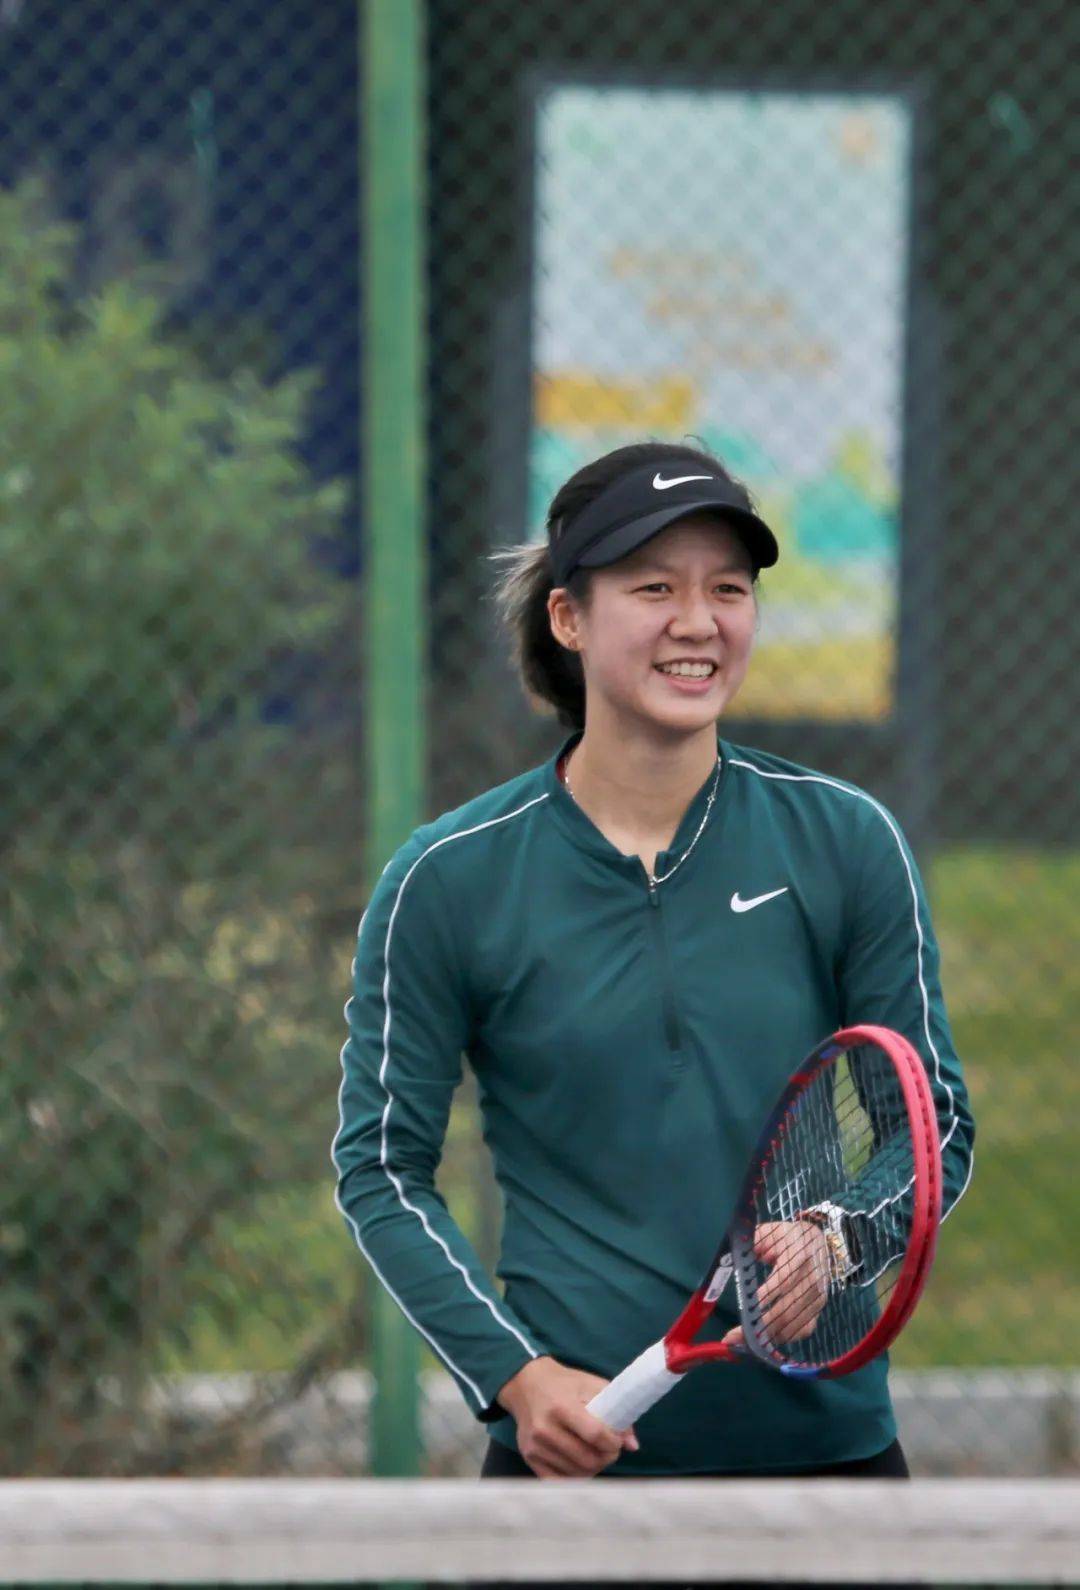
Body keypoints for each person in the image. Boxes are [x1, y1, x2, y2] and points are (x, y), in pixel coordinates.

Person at [332, 440, 974, 1516]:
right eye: (654, 588)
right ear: (568, 617)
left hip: (832, 1470)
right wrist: (516, 1378)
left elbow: (934, 1122)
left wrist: (840, 1238)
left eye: (728, 588)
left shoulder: (846, 840)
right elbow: (381, 1170)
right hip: (568, 1481)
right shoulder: (446, 880)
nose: (698, 622)